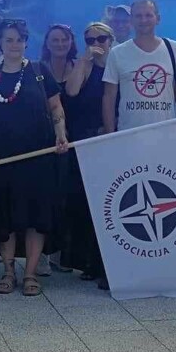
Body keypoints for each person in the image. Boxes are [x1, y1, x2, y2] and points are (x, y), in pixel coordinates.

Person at [0, 19, 68, 296]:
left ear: (26, 42)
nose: (15, 44)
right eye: (9, 40)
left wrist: (61, 133)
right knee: (5, 214)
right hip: (2, 157)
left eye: (20, 39)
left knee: (36, 215)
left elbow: (56, 107)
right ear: (0, 43)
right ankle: (8, 271)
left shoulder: (39, 71)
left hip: (38, 156)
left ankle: (32, 273)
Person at [62, 21, 112, 287]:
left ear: (111, 40)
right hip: (83, 139)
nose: (97, 44)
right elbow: (71, 91)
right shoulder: (84, 65)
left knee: (110, 200)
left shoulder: (118, 65)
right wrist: (85, 61)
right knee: (85, 203)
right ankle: (89, 261)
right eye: (90, 39)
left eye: (101, 39)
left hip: (110, 137)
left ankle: (108, 261)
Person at [101, 0, 176, 135]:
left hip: (167, 134)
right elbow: (109, 97)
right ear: (131, 21)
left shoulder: (174, 49)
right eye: (138, 16)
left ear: (158, 18)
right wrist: (110, 135)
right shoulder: (117, 53)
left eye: (148, 15)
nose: (143, 20)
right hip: (129, 135)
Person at [39, 23, 79, 275]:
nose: (60, 44)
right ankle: (42, 254)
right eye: (55, 40)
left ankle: (63, 252)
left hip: (74, 140)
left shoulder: (79, 67)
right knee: (46, 196)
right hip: (44, 140)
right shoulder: (37, 70)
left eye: (64, 39)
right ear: (47, 43)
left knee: (68, 197)